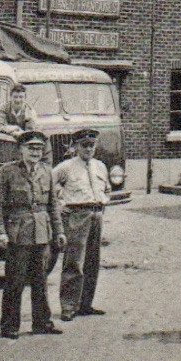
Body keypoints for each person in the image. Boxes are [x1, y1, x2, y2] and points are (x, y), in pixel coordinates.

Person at [0, 129, 65, 339]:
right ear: (21, 149)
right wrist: (0, 232)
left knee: (40, 281)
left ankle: (42, 322)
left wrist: (59, 231)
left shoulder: (47, 172)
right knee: (15, 281)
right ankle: (10, 325)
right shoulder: (8, 172)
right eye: (31, 148)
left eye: (39, 148)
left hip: (42, 233)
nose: (35, 152)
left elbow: (53, 206)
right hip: (18, 233)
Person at [52, 127, 109, 320]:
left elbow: (106, 190)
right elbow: (47, 188)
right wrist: (60, 206)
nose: (88, 149)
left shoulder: (100, 166)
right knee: (74, 261)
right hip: (76, 215)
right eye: (84, 145)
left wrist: (103, 205)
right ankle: (68, 306)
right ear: (76, 146)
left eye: (92, 145)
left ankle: (85, 304)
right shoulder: (65, 167)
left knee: (92, 261)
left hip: (96, 214)